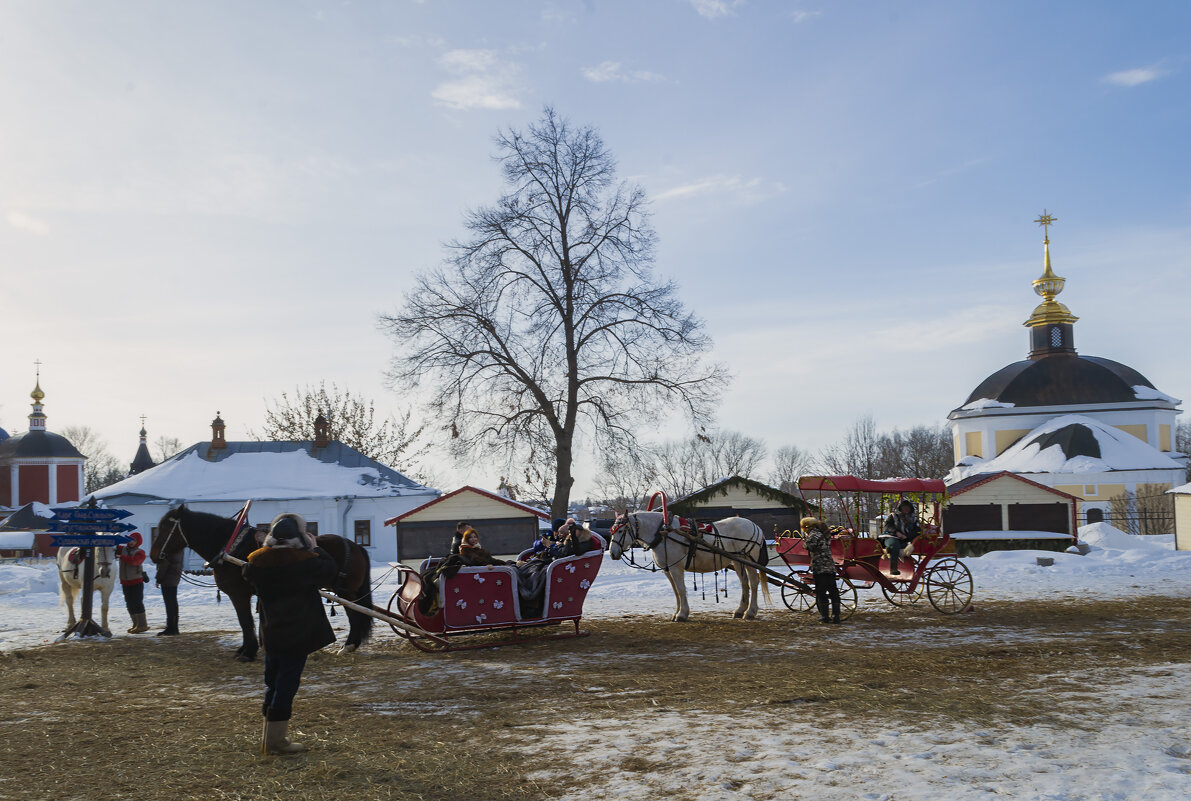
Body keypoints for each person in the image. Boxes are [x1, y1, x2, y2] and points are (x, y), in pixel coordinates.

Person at [242, 513, 337, 756]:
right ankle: (276, 743)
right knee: (286, 685)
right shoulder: (306, 561)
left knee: (272, 682)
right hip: (297, 634)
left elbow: (247, 574)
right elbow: (330, 571)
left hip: (272, 633)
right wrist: (316, 547)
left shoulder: (257, 562)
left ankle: (268, 736)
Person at [514, 518, 598, 617]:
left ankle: (531, 603)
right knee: (524, 568)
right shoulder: (566, 540)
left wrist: (554, 546)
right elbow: (560, 551)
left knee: (535, 573)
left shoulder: (581, 542)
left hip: (559, 567)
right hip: (551, 562)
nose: (560, 536)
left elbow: (574, 552)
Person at [800, 517, 841, 624]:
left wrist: (805, 541)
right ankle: (836, 616)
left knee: (821, 592)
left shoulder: (814, 535)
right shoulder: (824, 534)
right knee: (833, 591)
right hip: (830, 566)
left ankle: (825, 617)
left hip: (820, 566)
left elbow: (808, 546)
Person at [116, 532, 151, 634]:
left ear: (138, 542)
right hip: (125, 582)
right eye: (130, 539)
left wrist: (122, 557)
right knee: (129, 603)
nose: (131, 542)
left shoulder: (140, 552)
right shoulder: (123, 549)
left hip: (136, 582)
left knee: (137, 602)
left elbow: (135, 562)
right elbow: (114, 546)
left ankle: (142, 624)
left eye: (134, 540)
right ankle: (136, 624)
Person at [883, 499, 921, 575]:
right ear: (900, 508)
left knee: (908, 546)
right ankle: (893, 568)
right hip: (891, 537)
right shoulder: (893, 516)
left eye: (907, 508)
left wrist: (907, 536)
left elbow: (917, 531)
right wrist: (897, 532)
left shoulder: (914, 519)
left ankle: (906, 566)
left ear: (911, 509)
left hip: (905, 540)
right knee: (895, 545)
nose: (906, 510)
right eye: (904, 508)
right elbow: (887, 527)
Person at [153, 545, 184, 636]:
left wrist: (158, 579)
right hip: (175, 577)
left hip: (167, 578)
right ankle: (174, 627)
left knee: (169, 603)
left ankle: (171, 628)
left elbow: (163, 565)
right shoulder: (180, 550)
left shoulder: (169, 550)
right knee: (173, 602)